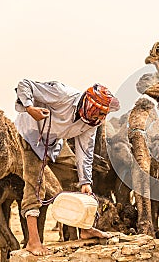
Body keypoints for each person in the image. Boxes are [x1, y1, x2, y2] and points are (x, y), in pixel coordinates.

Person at [14, 79, 120, 256]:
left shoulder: (91, 122)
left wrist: (85, 181)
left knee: (73, 176)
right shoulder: (62, 94)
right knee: (35, 186)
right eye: (98, 114)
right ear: (89, 106)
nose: (100, 119)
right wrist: (30, 108)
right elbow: (24, 84)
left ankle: (85, 229)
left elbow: (85, 151)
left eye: (103, 115)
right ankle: (32, 241)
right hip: (32, 135)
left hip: (55, 139)